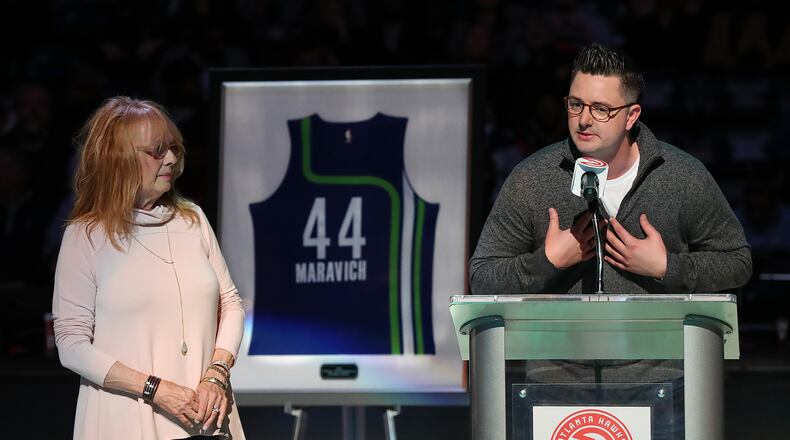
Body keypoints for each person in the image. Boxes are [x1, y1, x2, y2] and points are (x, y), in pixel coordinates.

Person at [470, 43, 752, 295]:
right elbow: (482, 277)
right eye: (576, 104)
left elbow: (737, 262)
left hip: (655, 351)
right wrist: (546, 262)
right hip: (560, 352)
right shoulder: (531, 178)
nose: (584, 120)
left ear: (631, 116)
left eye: (601, 109)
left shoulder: (683, 176)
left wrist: (667, 266)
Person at [52, 97, 245, 440]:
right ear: (118, 159)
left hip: (207, 416)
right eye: (156, 151)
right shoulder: (86, 236)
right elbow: (71, 344)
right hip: (127, 420)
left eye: (172, 148)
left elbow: (230, 304)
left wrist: (216, 374)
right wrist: (156, 389)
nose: (171, 159)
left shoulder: (192, 219)